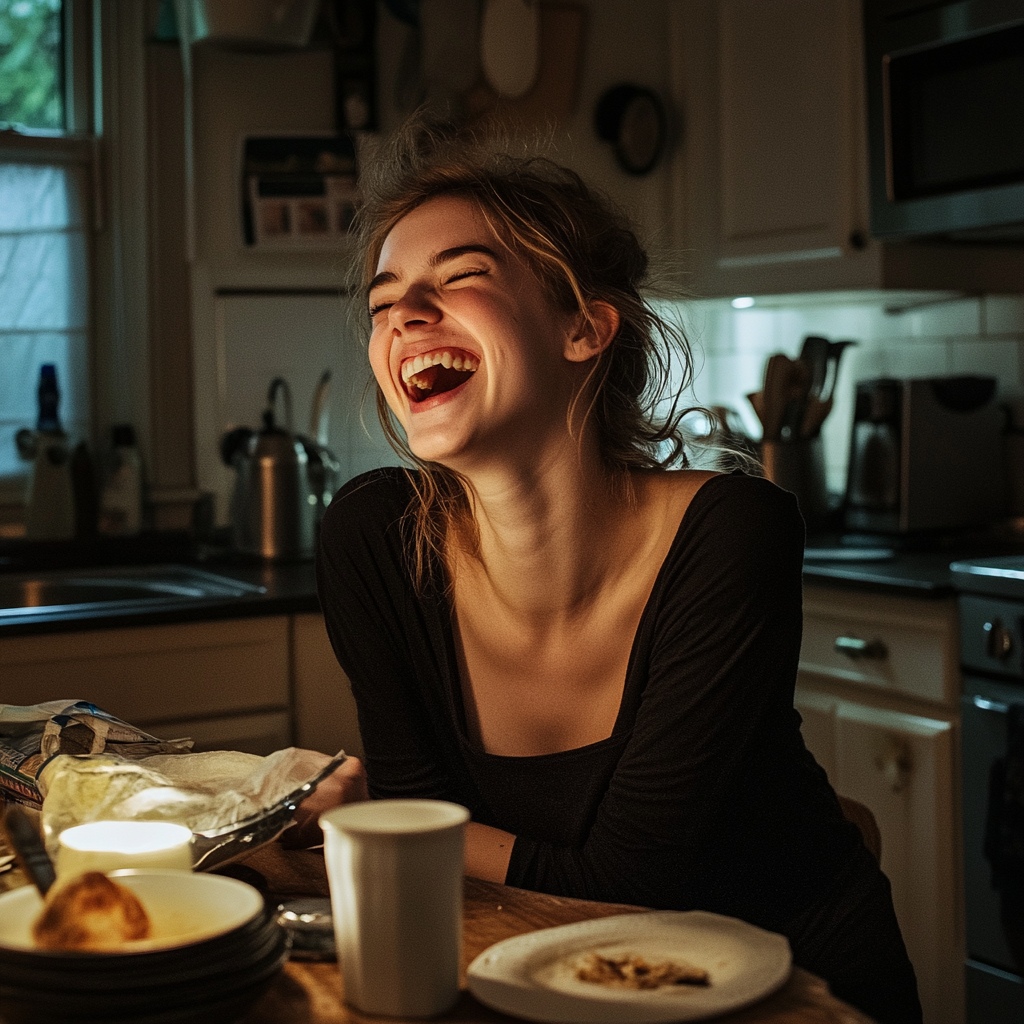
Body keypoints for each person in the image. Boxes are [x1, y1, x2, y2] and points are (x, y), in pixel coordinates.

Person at [311, 120, 922, 1024]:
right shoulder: (375, 540)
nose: (404, 314)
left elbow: (630, 881)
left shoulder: (731, 532)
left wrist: (373, 825)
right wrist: (397, 821)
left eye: (462, 275)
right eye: (384, 300)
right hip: (544, 978)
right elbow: (414, 812)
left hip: (790, 994)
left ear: (583, 327)